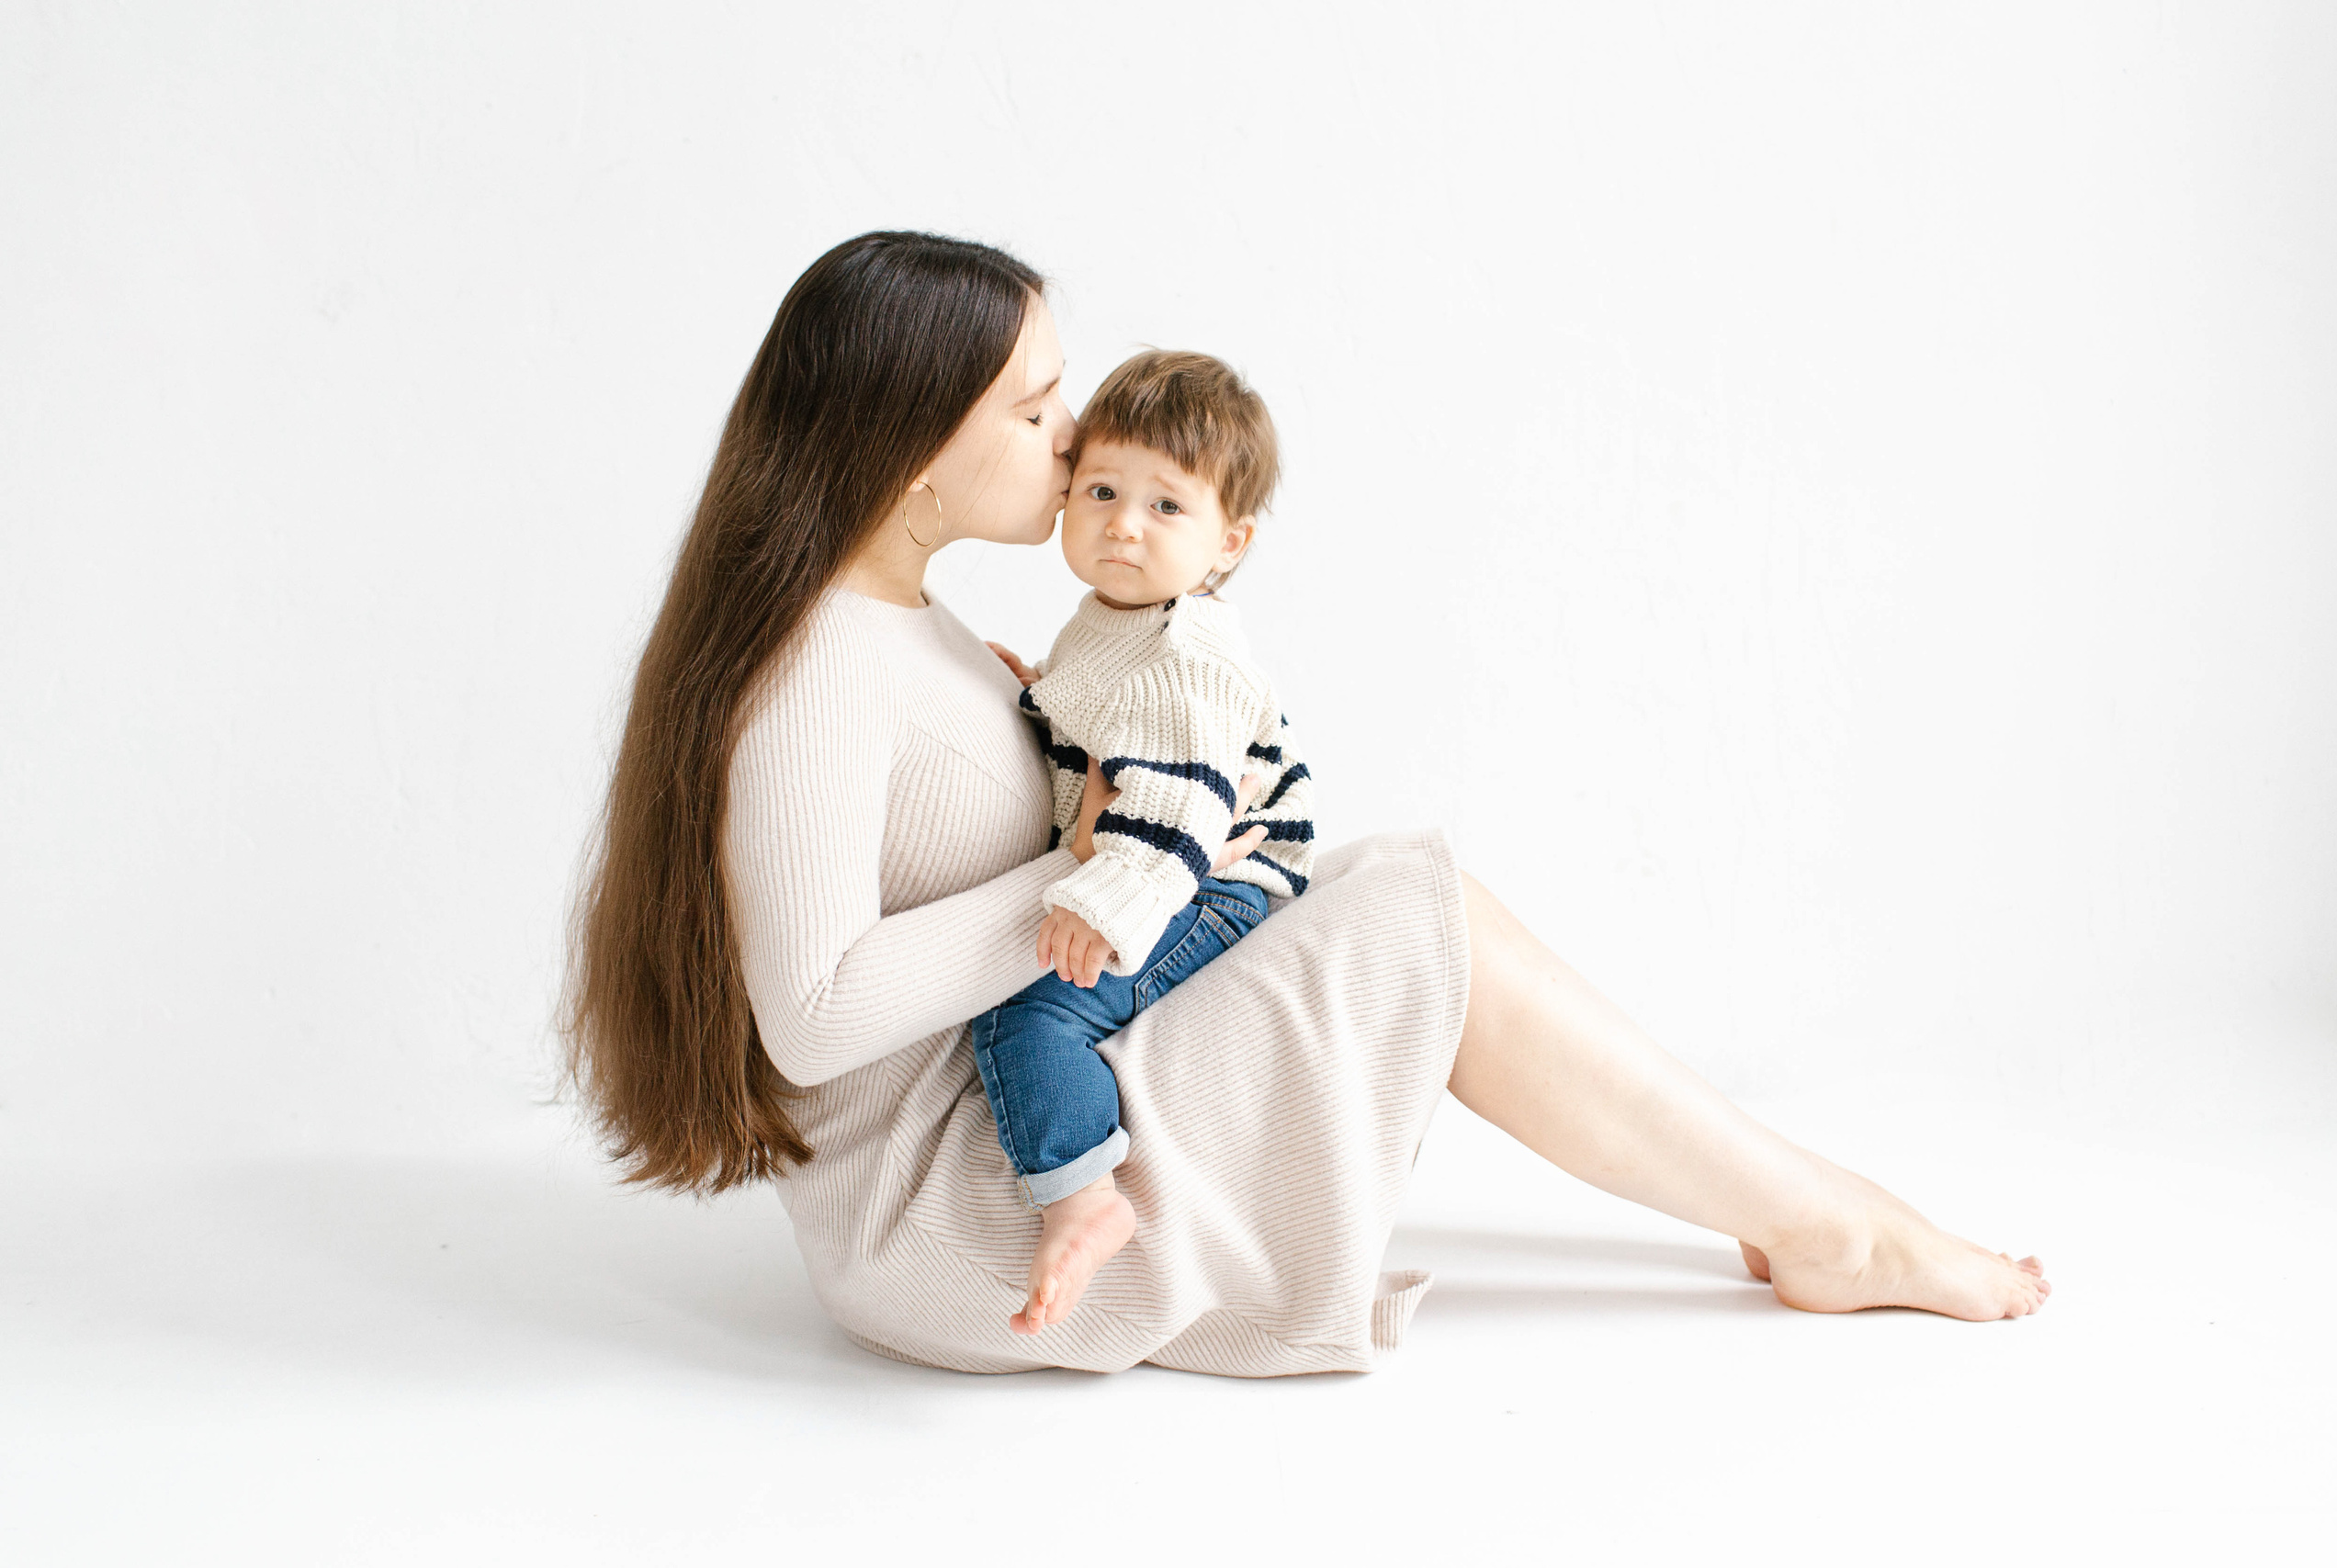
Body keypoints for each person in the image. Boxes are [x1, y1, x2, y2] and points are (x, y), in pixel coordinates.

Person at [564, 231, 2048, 1378]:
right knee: (1417, 917)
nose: (1075, 441)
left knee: (1381, 879)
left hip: (1027, 1081)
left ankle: (1803, 1207)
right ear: (907, 448)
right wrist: (1071, 880)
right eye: (1033, 411)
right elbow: (811, 1014)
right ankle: (1825, 1224)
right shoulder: (817, 672)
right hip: (966, 1205)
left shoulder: (905, 620)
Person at [970, 348, 1314, 1334]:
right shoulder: (1115, 618)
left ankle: (1081, 1195)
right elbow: (1105, 727)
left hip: (1216, 876)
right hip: (1173, 852)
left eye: (1167, 507)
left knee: (1028, 1016)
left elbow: (1178, 803)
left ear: (1227, 545)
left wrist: (1104, 904)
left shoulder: (1184, 651)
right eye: (1103, 490)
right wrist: (1032, 689)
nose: (1122, 523)